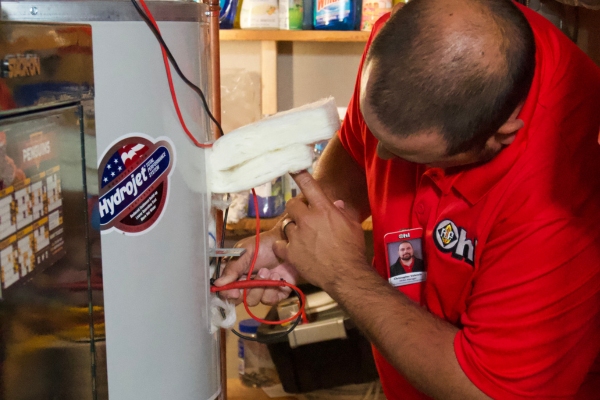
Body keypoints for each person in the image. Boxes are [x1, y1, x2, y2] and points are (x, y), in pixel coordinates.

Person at [215, 0, 600, 398]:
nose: (380, 158)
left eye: (407, 156)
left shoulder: (559, 201)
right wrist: (298, 238)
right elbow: (355, 149)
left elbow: (484, 390)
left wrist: (341, 272)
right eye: (377, 135)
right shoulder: (411, 41)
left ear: (499, 136)